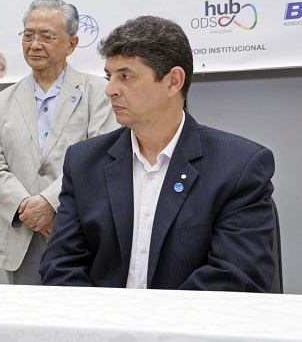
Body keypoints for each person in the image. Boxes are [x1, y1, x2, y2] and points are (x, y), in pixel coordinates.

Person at [40, 16, 276, 292]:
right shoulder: (83, 162)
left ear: (173, 81)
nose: (110, 90)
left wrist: (149, 325)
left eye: (125, 76)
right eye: (109, 76)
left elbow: (235, 277)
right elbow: (61, 265)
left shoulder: (238, 166)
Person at [0, 0, 119, 285]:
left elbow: (102, 157)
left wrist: (49, 203)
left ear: (71, 44)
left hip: (78, 229)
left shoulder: (99, 93)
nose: (34, 44)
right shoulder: (3, 101)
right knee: (24, 324)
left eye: (46, 36)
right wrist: (28, 209)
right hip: (22, 234)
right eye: (28, 35)